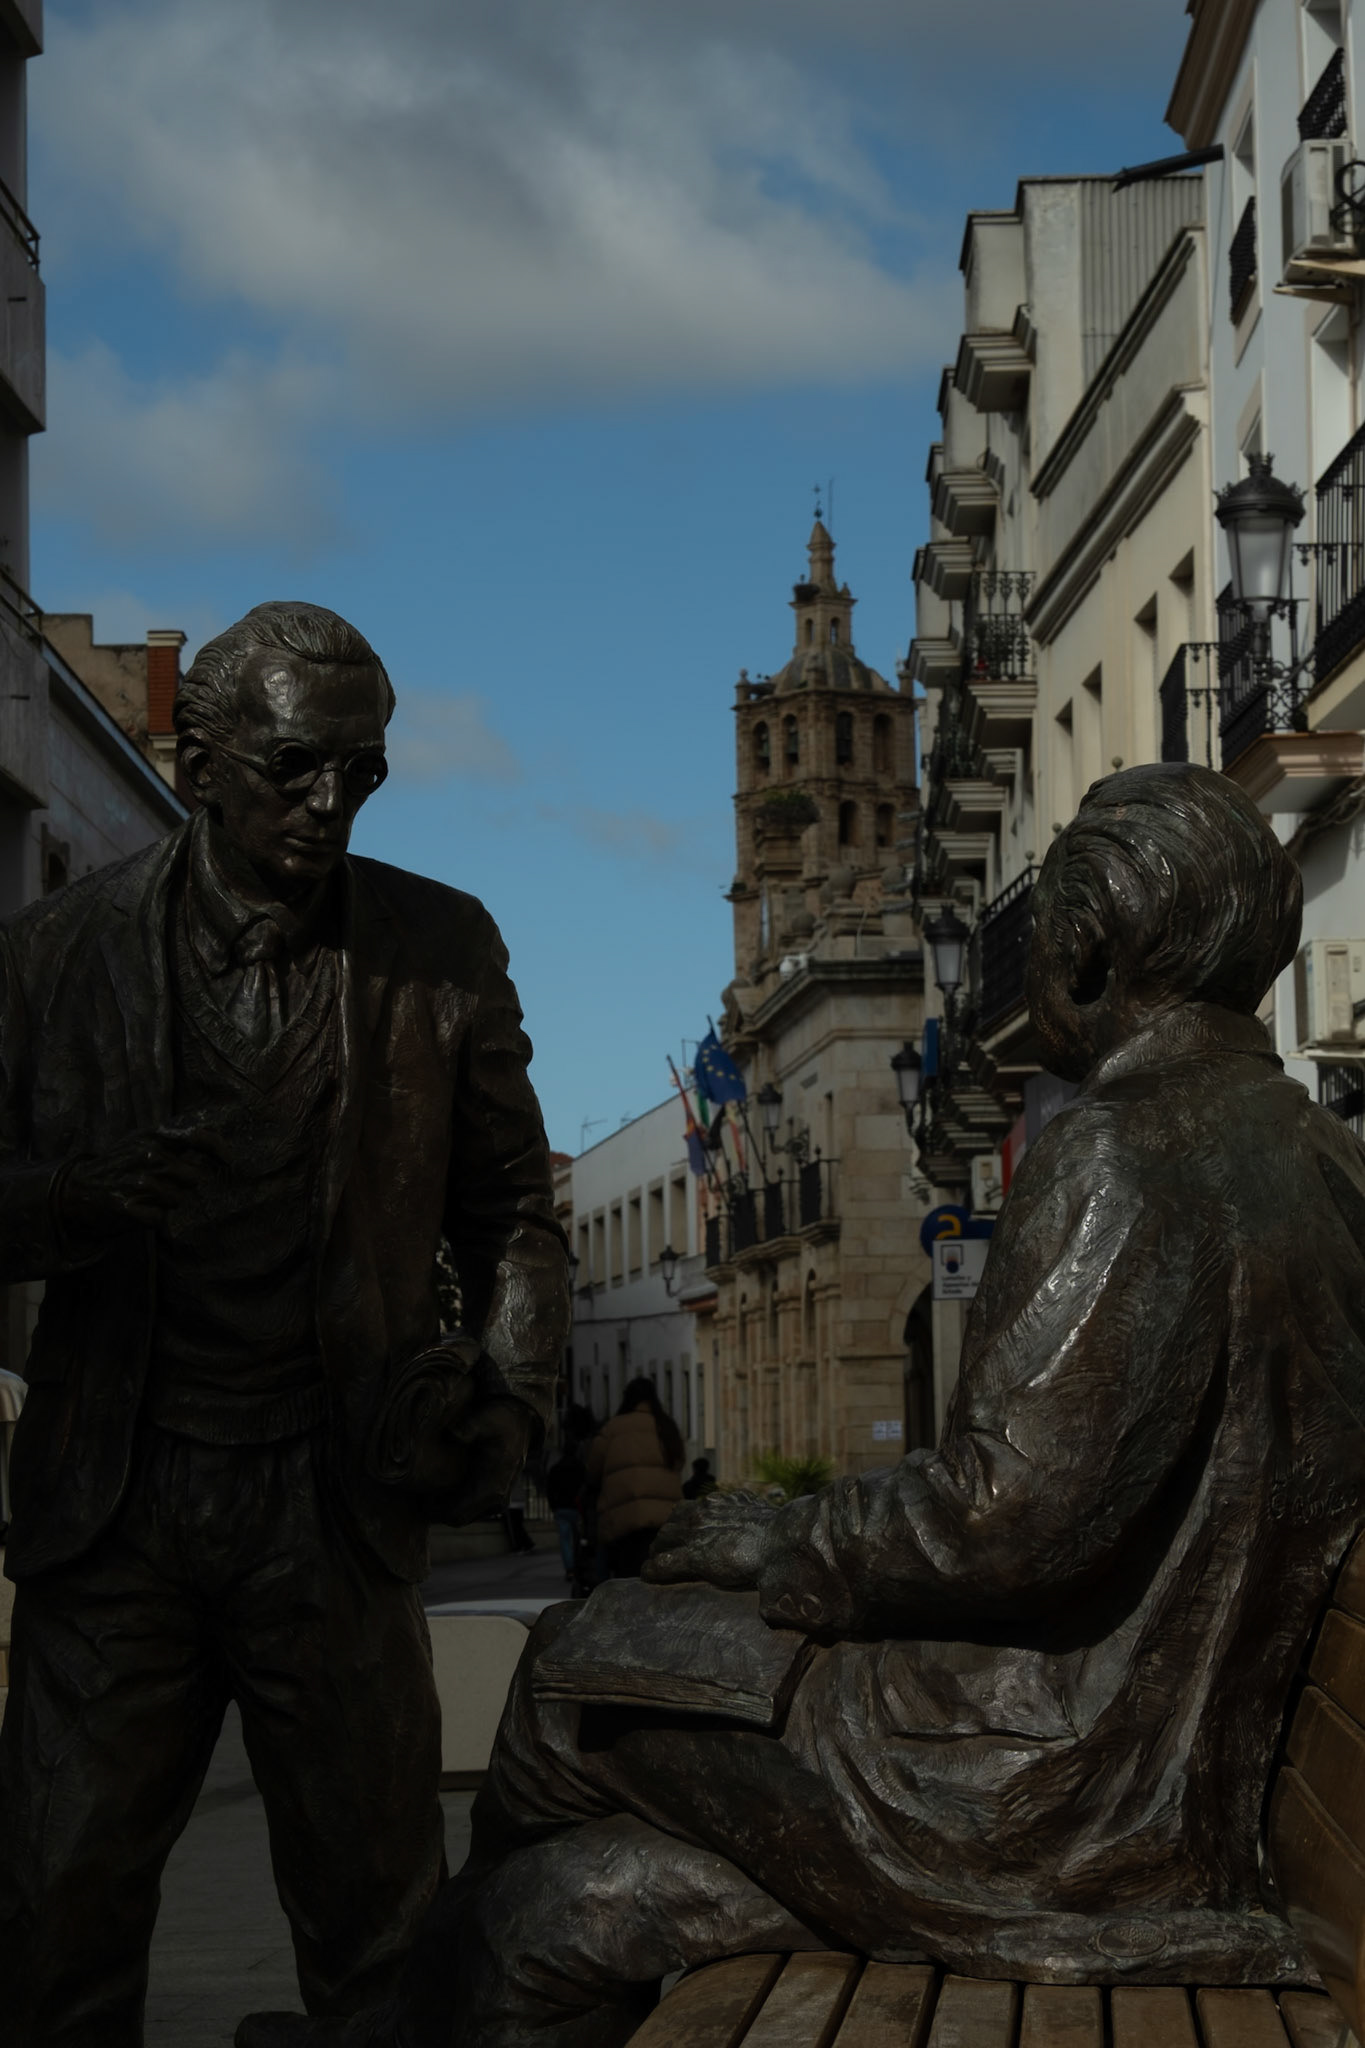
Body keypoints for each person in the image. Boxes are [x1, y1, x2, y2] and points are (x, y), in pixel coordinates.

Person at [239, 762, 1365, 2048]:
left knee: (567, 1672)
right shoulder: (1324, 1158)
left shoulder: (1119, 1150)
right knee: (572, 1902)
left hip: (1036, 1787)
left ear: (1092, 949)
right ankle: (414, 2018)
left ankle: (397, 2022)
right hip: (1156, 1791)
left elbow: (1003, 1514)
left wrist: (785, 1538)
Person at [0, 601, 569, 2047]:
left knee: (382, 1935)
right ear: (200, 762)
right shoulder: (54, 956)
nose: (332, 803)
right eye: (297, 767)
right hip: (117, 1505)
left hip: (330, 1499)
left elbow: (512, 1211)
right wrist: (81, 1197)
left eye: (362, 771)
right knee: (55, 1922)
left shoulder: (441, 949)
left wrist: (509, 1395)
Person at [584, 1377, 684, 1578]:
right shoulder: (666, 1426)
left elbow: (593, 1468)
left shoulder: (613, 1428)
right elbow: (679, 1462)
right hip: (664, 1517)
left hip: (623, 1518)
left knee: (626, 1575)